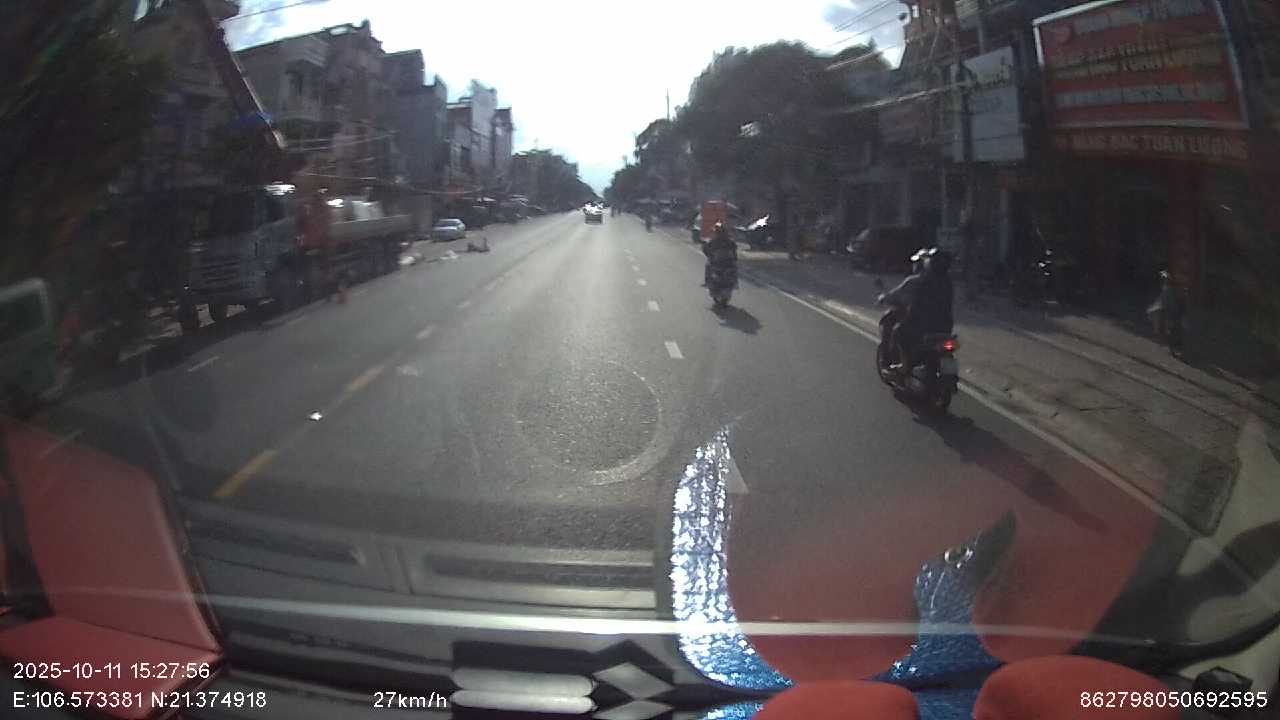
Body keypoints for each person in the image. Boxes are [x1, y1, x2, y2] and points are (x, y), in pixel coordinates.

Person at [880, 248, 953, 376]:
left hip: (921, 325)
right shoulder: (947, 283)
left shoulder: (919, 281)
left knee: (898, 333)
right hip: (945, 326)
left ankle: (904, 365)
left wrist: (884, 298)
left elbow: (897, 295)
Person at [703, 222, 738, 288]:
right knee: (735, 267)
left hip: (719, 262)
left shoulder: (714, 241)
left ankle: (707, 282)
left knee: (708, 265)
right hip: (723, 262)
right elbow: (734, 251)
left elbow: (705, 249)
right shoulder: (729, 241)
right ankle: (735, 283)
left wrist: (709, 255)